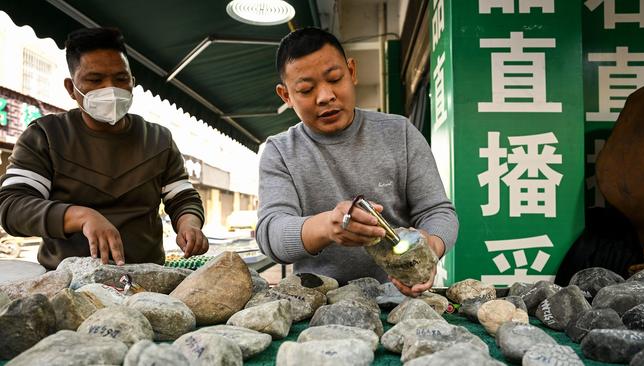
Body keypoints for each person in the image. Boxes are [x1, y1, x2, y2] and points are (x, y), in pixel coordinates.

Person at [256, 27, 459, 297]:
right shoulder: (280, 151)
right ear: (286, 96)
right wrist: (329, 226)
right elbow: (271, 233)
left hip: (401, 295)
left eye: (335, 79)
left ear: (351, 72)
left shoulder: (400, 132)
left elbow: (438, 212)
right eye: (306, 89)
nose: (325, 96)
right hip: (318, 300)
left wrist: (430, 246)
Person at [0, 27, 208, 270]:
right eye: (95, 79)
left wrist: (189, 224)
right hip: (66, 281)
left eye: (121, 79)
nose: (110, 89)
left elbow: (182, 197)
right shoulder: (45, 136)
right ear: (71, 88)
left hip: (147, 277)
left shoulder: (158, 139)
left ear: (132, 83)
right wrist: (81, 217)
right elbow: (12, 205)